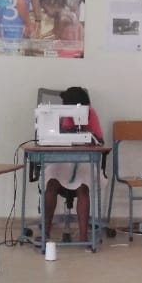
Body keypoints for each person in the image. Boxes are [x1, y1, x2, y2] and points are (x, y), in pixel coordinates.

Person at [42, 86, 104, 243]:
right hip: (62, 162)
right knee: (51, 184)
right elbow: (56, 139)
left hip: (84, 163)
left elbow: (100, 141)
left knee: (83, 188)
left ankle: (84, 237)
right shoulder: (60, 115)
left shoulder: (91, 114)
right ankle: (45, 232)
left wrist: (90, 137)